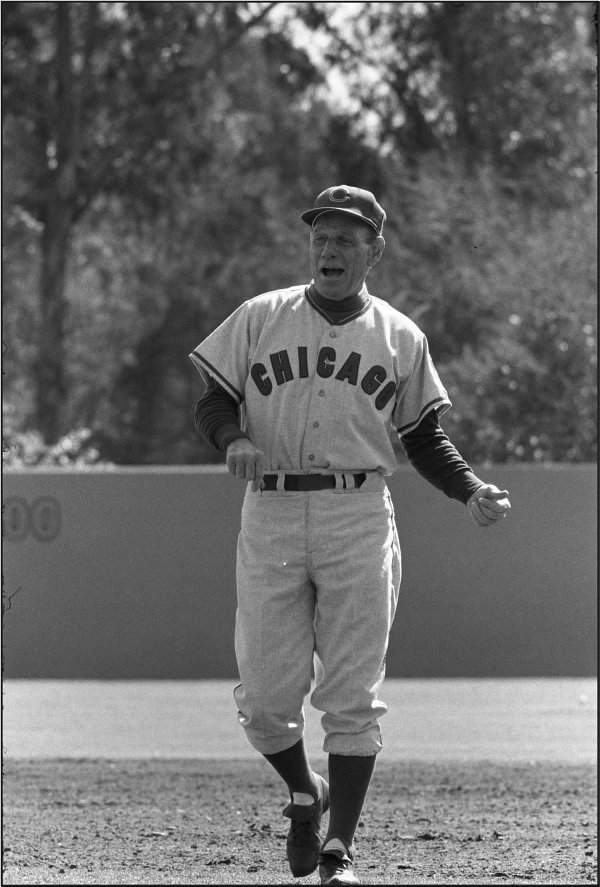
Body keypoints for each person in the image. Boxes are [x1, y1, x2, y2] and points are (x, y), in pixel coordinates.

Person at [189, 185, 511, 886]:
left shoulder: (399, 336)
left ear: (375, 250)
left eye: (346, 238)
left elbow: (424, 436)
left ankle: (340, 847)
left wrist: (470, 488)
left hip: (358, 513)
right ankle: (306, 787)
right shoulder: (260, 317)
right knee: (266, 702)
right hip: (270, 508)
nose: (330, 249)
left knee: (353, 691)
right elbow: (213, 397)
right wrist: (232, 435)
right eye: (321, 237)